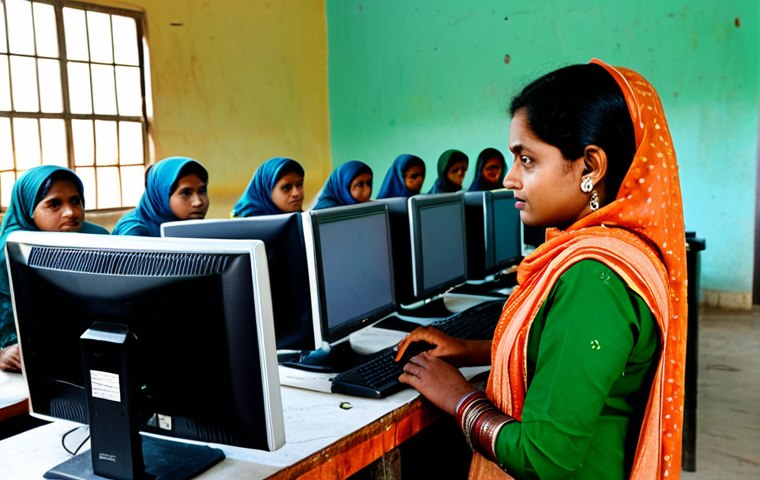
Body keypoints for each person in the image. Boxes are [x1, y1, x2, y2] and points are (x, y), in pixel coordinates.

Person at [395, 59, 687, 480]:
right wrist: (474, 350)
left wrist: (458, 397)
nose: (511, 179)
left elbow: (544, 458)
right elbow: (574, 361)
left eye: (527, 160)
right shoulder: (621, 253)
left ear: (590, 167)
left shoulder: (593, 277)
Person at [0, 166, 109, 372]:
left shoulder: (98, 239)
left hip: (92, 350)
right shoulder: (8, 251)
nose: (70, 212)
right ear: (29, 210)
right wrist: (2, 352)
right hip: (30, 362)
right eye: (54, 204)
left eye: (75, 201)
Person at [112, 157, 209, 236]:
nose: (198, 202)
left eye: (202, 191)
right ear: (162, 196)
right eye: (186, 193)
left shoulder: (195, 228)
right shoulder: (134, 232)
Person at [231, 157, 305, 217]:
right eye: (286, 187)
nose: (296, 193)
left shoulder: (303, 219)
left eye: (299, 185)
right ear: (266, 191)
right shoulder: (244, 225)